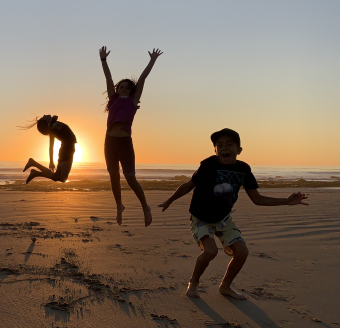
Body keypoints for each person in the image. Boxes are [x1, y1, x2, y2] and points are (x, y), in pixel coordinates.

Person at [158, 128, 308, 299]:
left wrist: (287, 201)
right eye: (219, 145)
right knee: (210, 252)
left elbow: (257, 199)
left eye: (229, 144)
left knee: (242, 252)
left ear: (239, 150)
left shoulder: (243, 169)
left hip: (223, 219)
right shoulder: (208, 165)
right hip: (201, 218)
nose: (224, 148)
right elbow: (188, 185)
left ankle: (225, 286)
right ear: (215, 150)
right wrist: (169, 200)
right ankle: (193, 282)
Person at [100, 46, 162, 226]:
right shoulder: (113, 99)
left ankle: (145, 207)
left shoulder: (133, 101)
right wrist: (104, 60)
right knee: (113, 177)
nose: (124, 89)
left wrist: (152, 60)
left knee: (130, 178)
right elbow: (108, 78)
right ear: (117, 89)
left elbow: (142, 79)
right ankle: (119, 206)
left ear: (132, 90)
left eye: (128, 87)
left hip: (124, 143)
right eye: (121, 87)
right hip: (109, 142)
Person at [22, 115, 77, 184]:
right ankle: (35, 170)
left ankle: (34, 169)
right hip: (68, 149)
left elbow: (51, 147)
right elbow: (55, 124)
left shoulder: (51, 131)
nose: (44, 115)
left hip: (63, 150)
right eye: (43, 117)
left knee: (57, 177)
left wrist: (51, 162)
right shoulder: (53, 126)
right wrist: (52, 122)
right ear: (47, 121)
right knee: (63, 178)